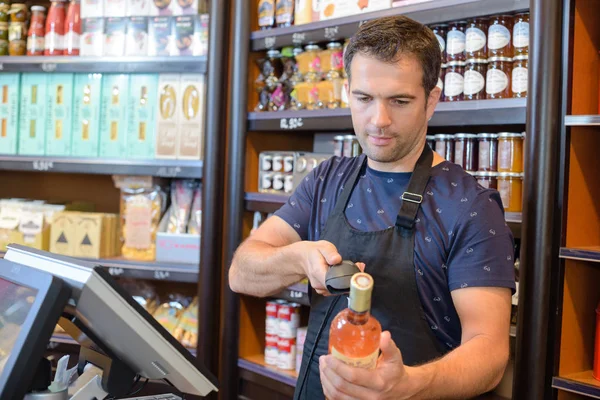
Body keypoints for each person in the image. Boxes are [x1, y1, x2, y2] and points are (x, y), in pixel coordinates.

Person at [229, 15, 515, 400]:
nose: (379, 120)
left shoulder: (470, 206)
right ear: (348, 91)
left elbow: (490, 354)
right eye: (364, 99)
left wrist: (409, 385)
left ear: (431, 100)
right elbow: (241, 273)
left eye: (399, 101)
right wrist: (300, 258)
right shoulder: (326, 180)